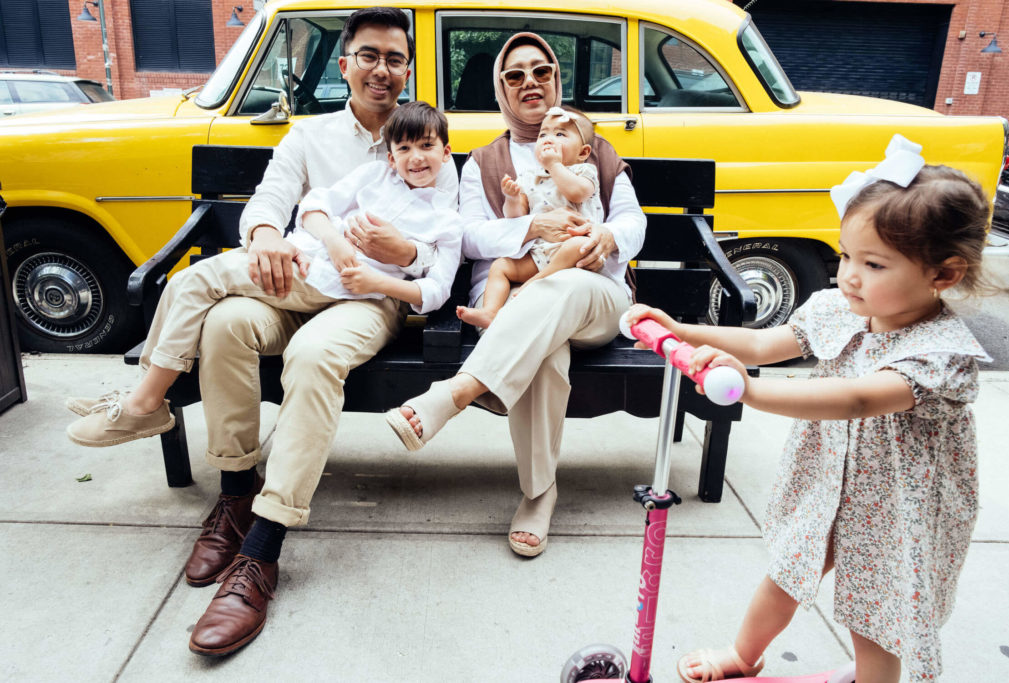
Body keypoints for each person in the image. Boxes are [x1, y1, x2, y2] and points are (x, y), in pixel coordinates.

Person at [68, 8, 460, 656]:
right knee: (225, 323)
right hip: (298, 278)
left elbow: (444, 246)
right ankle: (234, 492)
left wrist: (405, 254)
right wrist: (267, 236)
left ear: (407, 70)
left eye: (394, 58)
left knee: (311, 356)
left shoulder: (424, 142)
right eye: (369, 55)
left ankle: (262, 546)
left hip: (367, 299)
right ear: (346, 65)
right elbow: (273, 200)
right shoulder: (312, 136)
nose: (381, 69)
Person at [626, 136, 991, 682]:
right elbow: (763, 343)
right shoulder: (839, 310)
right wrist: (683, 330)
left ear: (943, 275)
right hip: (828, 479)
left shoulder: (941, 354)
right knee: (787, 572)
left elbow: (857, 398)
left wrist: (749, 392)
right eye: (846, 255)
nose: (849, 275)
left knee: (875, 616)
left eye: (873, 263)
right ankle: (743, 655)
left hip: (896, 505)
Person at [65, 101, 462, 450]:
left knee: (194, 281)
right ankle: (145, 398)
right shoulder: (365, 170)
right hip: (307, 258)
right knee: (197, 293)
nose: (416, 157)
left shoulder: (440, 197)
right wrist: (305, 237)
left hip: (325, 281)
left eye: (425, 146)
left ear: (445, 152)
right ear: (390, 157)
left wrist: (400, 259)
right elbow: (307, 203)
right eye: (404, 149)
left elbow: (439, 259)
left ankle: (145, 401)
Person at [385, 32, 646, 558]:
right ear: (501, 88)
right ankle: (538, 493)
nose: (530, 82)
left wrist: (608, 236)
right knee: (544, 348)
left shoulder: (595, 150)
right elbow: (469, 236)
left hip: (592, 294)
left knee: (562, 286)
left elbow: (632, 220)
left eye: (541, 71)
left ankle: (455, 394)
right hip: (519, 298)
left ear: (556, 79)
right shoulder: (484, 161)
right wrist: (530, 226)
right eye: (515, 74)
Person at [456, 105, 605, 329]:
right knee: (500, 267)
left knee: (579, 244)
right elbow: (516, 216)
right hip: (539, 254)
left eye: (560, 134)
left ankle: (534, 283)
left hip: (573, 255)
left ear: (583, 153)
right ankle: (490, 312)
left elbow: (577, 193)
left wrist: (554, 165)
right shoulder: (530, 177)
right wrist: (512, 197)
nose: (548, 139)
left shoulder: (583, 172)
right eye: (543, 134)